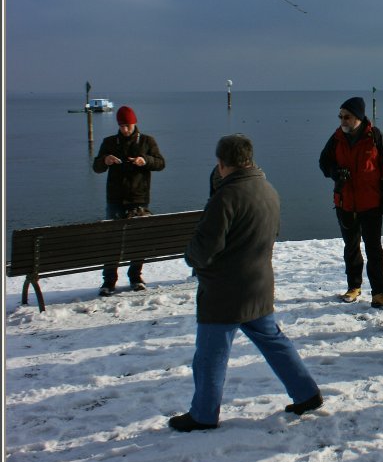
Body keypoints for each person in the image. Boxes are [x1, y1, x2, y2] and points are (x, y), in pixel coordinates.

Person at [170, 134, 322, 432]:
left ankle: (203, 414)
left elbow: (205, 248)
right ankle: (306, 393)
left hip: (224, 291)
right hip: (258, 283)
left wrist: (191, 257)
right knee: (273, 341)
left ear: (222, 164)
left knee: (210, 355)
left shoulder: (225, 198)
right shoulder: (268, 190)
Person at [318, 97, 383, 308]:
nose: (343, 121)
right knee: (351, 247)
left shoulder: (375, 137)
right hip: (345, 203)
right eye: (340, 116)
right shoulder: (337, 137)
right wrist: (335, 172)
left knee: (374, 249)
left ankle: (379, 293)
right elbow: (324, 162)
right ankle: (353, 286)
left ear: (359, 117)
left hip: (371, 203)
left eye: (347, 117)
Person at [92, 105, 166, 296]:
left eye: (128, 126)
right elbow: (96, 167)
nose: (125, 129)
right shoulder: (110, 142)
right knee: (113, 241)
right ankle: (109, 281)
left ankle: (135, 277)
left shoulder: (147, 141)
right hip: (115, 199)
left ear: (135, 123)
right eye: (122, 126)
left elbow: (161, 163)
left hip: (139, 198)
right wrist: (105, 161)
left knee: (138, 240)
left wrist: (145, 161)